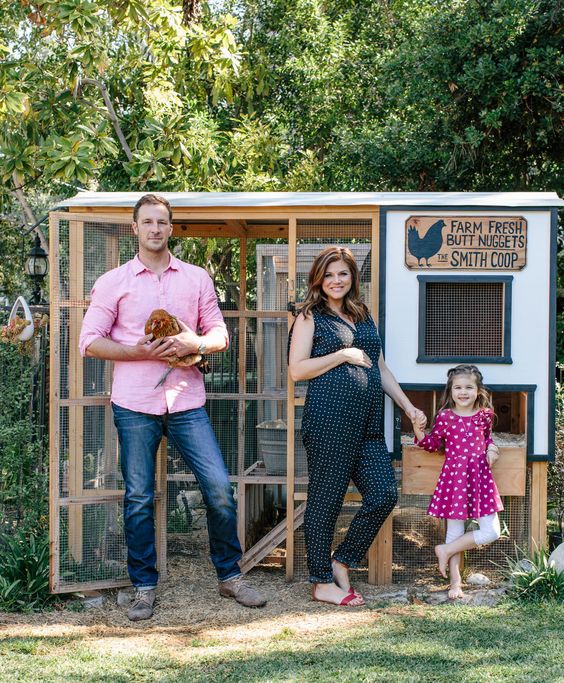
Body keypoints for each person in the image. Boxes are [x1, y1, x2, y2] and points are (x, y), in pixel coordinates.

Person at [79, 193, 266, 620]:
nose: (155, 229)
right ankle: (144, 586)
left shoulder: (196, 278)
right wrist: (141, 351)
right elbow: (89, 341)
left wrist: (193, 342)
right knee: (140, 496)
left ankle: (230, 576)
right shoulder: (114, 282)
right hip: (134, 404)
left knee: (220, 488)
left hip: (186, 400)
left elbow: (220, 333)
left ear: (171, 228)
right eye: (147, 222)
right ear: (135, 229)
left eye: (162, 222)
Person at [288, 245, 426, 606]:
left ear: (353, 278)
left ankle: (341, 560)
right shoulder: (309, 316)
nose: (336, 280)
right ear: (318, 278)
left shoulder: (362, 315)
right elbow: (297, 369)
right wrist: (341, 355)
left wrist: (409, 408)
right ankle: (320, 582)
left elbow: (380, 369)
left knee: (383, 494)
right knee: (326, 502)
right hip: (329, 421)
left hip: (367, 425)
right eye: (329, 274)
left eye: (343, 274)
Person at [412, 364, 503, 599]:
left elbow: (488, 439)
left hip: (481, 479)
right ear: (450, 391)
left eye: (469, 387)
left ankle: (445, 550)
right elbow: (432, 445)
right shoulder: (445, 417)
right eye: (458, 387)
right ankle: (455, 583)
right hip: (455, 481)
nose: (463, 392)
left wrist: (492, 449)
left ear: (478, 390)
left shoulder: (484, 416)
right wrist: (418, 430)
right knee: (454, 530)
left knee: (491, 531)